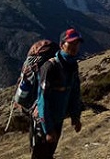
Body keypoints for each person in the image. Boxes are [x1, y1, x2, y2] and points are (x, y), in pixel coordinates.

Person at [32, 28, 84, 159]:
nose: (74, 47)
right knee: (40, 155)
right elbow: (42, 100)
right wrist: (48, 129)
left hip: (58, 119)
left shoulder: (72, 66)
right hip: (43, 122)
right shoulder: (50, 67)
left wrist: (75, 116)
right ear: (62, 45)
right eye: (71, 44)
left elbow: (74, 93)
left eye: (77, 44)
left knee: (49, 154)